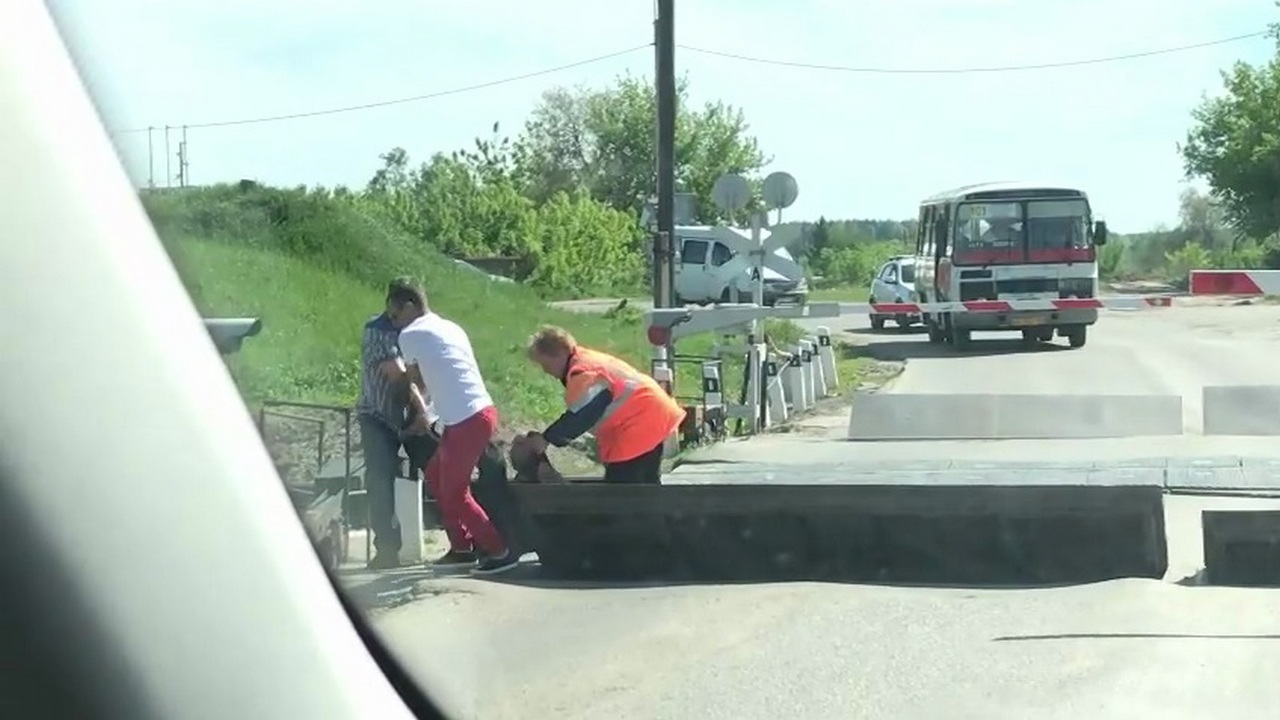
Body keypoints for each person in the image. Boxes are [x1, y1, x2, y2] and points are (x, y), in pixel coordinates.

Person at [390, 281, 518, 575]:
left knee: (455, 493)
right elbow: (447, 375)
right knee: (436, 476)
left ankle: (499, 550)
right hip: (476, 412)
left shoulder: (410, 335)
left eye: (395, 315)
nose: (394, 323)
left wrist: (415, 403)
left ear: (409, 307)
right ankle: (462, 548)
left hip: (466, 420)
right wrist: (432, 414)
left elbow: (416, 381)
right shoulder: (451, 327)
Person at [522, 325, 686, 484]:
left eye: (546, 364)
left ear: (559, 354)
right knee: (644, 488)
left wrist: (547, 439)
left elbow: (583, 415)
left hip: (637, 425)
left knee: (621, 494)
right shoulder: (588, 361)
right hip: (651, 417)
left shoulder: (583, 372)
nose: (546, 371)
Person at [355, 278, 438, 570]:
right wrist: (421, 414)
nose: (394, 319)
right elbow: (400, 376)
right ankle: (387, 549)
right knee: (380, 480)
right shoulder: (377, 330)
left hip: (417, 413)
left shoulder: (424, 329)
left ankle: (464, 538)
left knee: (441, 469)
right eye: (392, 313)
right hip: (379, 415)